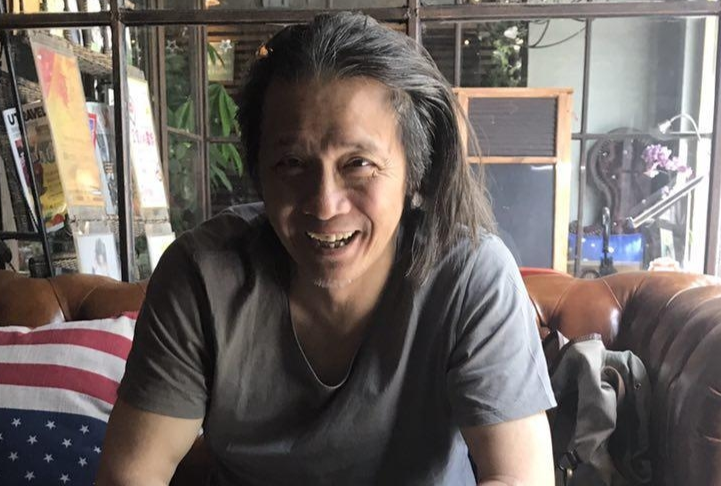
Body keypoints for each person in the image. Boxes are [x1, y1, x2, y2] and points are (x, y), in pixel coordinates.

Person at [97, 12, 555, 486]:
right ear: (259, 171)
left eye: (358, 164)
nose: (324, 204)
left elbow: (520, 478)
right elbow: (129, 476)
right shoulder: (202, 276)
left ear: (415, 172)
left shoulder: (471, 277)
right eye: (291, 163)